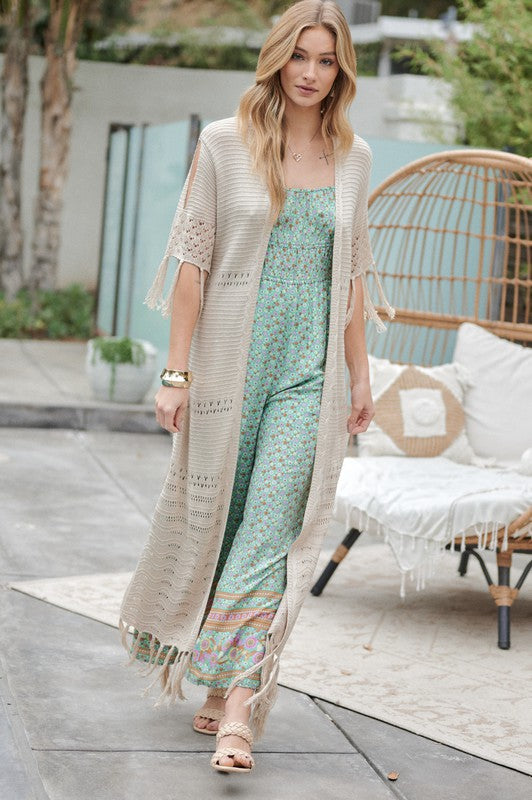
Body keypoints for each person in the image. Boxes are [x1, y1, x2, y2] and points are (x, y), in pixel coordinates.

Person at [118, 0, 394, 776]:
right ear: (278, 58)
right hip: (231, 368)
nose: (310, 74)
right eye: (299, 56)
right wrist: (175, 373)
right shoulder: (225, 146)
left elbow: (350, 279)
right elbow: (192, 267)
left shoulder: (355, 156)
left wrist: (360, 370)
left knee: (272, 529)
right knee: (225, 521)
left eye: (326, 60)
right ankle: (214, 676)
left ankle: (239, 707)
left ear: (342, 69)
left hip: (309, 379)